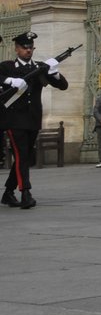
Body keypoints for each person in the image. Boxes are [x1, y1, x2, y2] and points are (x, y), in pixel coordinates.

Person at [1, 32, 69, 209]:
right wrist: (10, 80)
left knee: (25, 156)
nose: (28, 50)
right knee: (22, 154)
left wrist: (54, 73)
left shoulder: (40, 67)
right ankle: (25, 193)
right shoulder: (7, 67)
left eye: (31, 48)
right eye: (25, 48)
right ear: (16, 49)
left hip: (32, 119)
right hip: (14, 119)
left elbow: (63, 86)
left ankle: (8, 192)